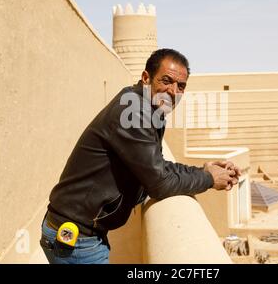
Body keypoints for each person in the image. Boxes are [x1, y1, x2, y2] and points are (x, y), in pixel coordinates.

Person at [40, 48, 241, 264]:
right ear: (146, 78)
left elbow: (157, 166)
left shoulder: (147, 108)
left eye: (180, 86)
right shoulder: (134, 113)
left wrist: (202, 170)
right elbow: (159, 183)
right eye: (166, 81)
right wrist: (209, 179)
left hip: (85, 233)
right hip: (76, 240)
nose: (173, 91)